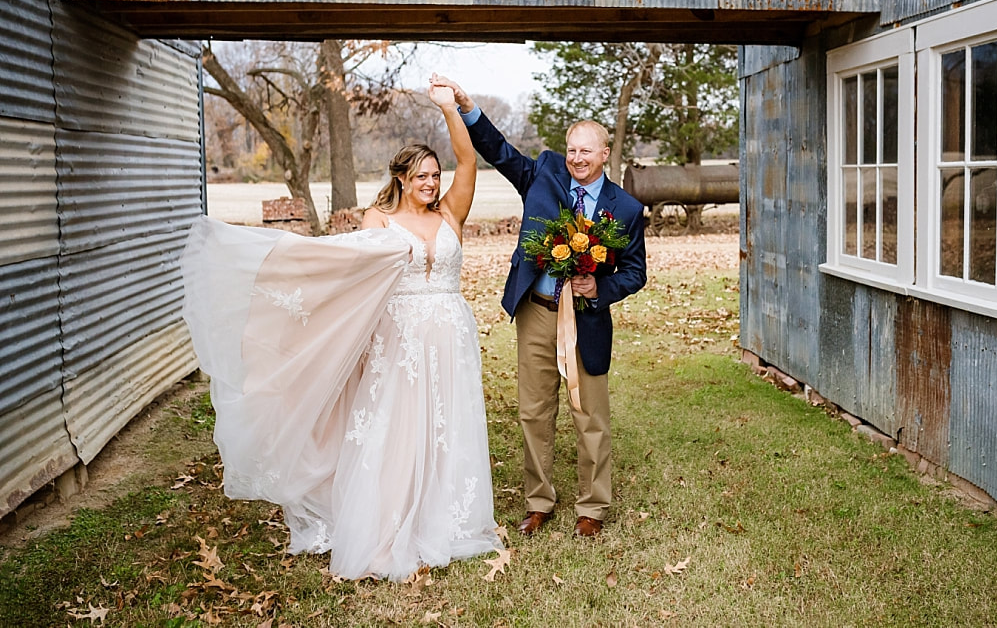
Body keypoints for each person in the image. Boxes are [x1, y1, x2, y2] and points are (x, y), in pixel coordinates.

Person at [179, 79, 501, 581]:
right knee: (398, 433)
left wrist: (450, 109)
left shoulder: (451, 212)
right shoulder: (379, 220)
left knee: (447, 427)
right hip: (399, 342)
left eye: (434, 175)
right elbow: (353, 280)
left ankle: (446, 519)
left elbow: (469, 161)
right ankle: (388, 526)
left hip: (451, 336)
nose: (431, 183)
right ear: (399, 177)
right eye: (421, 175)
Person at [430, 75, 647, 538]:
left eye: (587, 151)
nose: (577, 159)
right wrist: (468, 108)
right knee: (533, 410)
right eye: (572, 150)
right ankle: (539, 500)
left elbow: (635, 272)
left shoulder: (625, 208)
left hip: (586, 318)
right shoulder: (545, 173)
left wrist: (599, 289)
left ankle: (593, 506)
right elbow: (499, 150)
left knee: (590, 415)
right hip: (537, 309)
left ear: (605, 153)